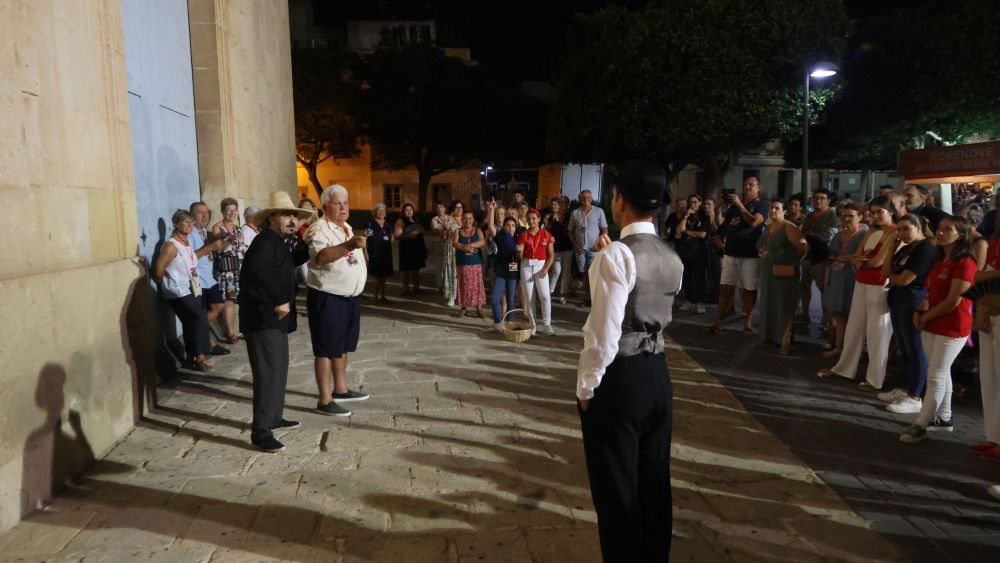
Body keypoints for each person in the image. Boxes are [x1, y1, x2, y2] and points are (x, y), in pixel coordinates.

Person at [577, 161, 682, 563]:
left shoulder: (616, 255)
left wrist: (587, 388)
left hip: (621, 377)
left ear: (619, 199)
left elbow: (604, 334)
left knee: (616, 486)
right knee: (655, 480)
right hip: (658, 372)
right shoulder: (672, 255)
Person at [240, 192, 312, 452]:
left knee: (278, 369)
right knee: (268, 373)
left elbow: (287, 263)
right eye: (286, 214)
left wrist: (305, 246)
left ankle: (274, 417)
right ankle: (261, 430)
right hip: (264, 319)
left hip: (275, 319)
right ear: (272, 218)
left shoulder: (278, 241)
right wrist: (278, 300)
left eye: (294, 215)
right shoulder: (264, 242)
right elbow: (256, 275)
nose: (292, 220)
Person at [900, 216, 978, 443]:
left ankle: (920, 424)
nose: (940, 232)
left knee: (935, 375)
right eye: (940, 228)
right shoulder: (941, 260)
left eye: (947, 229)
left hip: (952, 326)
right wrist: (920, 312)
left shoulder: (965, 263)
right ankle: (943, 417)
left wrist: (926, 316)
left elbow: (954, 300)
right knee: (940, 371)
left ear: (960, 235)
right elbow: (930, 291)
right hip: (932, 322)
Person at [818, 195, 898, 390]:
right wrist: (858, 260)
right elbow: (857, 255)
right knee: (854, 328)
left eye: (881, 212)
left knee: (877, 332)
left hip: (880, 285)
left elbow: (877, 261)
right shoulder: (871, 231)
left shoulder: (894, 232)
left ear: (891, 212)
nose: (876, 216)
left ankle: (875, 379)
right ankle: (844, 368)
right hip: (861, 282)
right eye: (873, 212)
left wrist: (860, 261)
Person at [305, 184, 371, 417]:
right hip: (328, 297)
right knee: (325, 349)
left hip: (349, 298)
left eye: (346, 203)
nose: (343, 207)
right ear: (325, 207)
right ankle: (325, 399)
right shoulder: (319, 229)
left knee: (342, 345)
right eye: (337, 203)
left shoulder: (347, 227)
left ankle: (341, 388)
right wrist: (350, 245)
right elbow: (321, 257)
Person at [878, 214, 936, 414]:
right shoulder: (906, 248)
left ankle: (915, 395)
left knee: (914, 346)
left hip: (912, 298)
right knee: (903, 346)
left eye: (906, 229)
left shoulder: (926, 248)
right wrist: (892, 247)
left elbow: (905, 280)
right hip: (899, 297)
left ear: (919, 227)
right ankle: (904, 388)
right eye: (899, 230)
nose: (902, 233)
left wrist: (895, 278)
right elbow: (885, 272)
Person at [153, 210, 215, 372]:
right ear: (175, 224)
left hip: (191, 288)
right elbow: (158, 270)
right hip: (177, 291)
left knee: (190, 322)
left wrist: (209, 249)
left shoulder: (186, 243)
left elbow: (191, 258)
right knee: (199, 317)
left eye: (191, 222)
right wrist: (166, 285)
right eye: (185, 222)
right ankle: (201, 356)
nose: (189, 225)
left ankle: (191, 357)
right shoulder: (171, 245)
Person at [709, 177, 769, 333]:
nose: (748, 187)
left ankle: (748, 322)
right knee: (725, 288)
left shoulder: (762, 205)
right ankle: (719, 320)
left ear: (758, 187)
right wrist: (719, 209)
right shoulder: (734, 207)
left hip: (750, 255)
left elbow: (754, 222)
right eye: (745, 185)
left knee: (749, 289)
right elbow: (724, 226)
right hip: (730, 254)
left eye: (751, 185)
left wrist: (740, 204)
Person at [757, 200, 806, 354]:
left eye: (777, 208)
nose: (773, 211)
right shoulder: (769, 227)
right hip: (769, 271)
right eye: (771, 208)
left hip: (786, 272)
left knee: (786, 306)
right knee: (770, 303)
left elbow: (803, 247)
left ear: (784, 211)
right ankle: (771, 337)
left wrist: (790, 261)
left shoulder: (789, 227)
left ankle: (785, 340)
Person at [822, 202, 867, 357]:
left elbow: (861, 258)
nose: (847, 219)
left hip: (854, 279)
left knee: (855, 316)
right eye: (844, 215)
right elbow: (829, 254)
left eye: (851, 216)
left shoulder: (864, 235)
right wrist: (846, 258)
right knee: (840, 314)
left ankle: (853, 351)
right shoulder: (838, 235)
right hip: (837, 278)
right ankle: (839, 348)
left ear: (860, 217)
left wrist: (841, 258)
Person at [971, 218, 1000, 458]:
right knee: (990, 376)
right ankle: (993, 436)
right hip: (992, 310)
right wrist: (981, 310)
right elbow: (985, 275)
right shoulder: (995, 242)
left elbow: (983, 276)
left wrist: (981, 279)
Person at [189, 202, 230, 355]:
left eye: (206, 212)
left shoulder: (205, 233)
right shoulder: (190, 234)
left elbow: (213, 252)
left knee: (218, 305)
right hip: (198, 281)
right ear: (192, 216)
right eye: (200, 212)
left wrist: (227, 243)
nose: (205, 215)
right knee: (204, 312)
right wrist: (210, 247)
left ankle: (203, 336)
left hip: (209, 279)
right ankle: (209, 343)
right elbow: (191, 257)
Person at [798, 189, 839, 324]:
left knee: (823, 289)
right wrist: (804, 241)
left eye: (822, 198)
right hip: (807, 257)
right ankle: (804, 313)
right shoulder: (809, 216)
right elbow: (804, 234)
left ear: (828, 200)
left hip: (822, 258)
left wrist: (814, 237)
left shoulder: (832, 216)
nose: (818, 200)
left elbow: (831, 237)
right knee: (804, 286)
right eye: (816, 198)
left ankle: (825, 317)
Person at [211, 198, 247, 344]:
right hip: (226, 270)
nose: (232, 213)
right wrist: (230, 241)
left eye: (234, 210)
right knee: (228, 301)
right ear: (223, 211)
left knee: (236, 301)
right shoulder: (217, 228)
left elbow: (242, 248)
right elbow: (217, 248)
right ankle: (230, 333)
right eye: (229, 210)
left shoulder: (238, 228)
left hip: (238, 268)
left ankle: (238, 330)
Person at [517, 208, 556, 335]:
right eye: (529, 219)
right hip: (526, 265)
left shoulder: (547, 235)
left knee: (545, 296)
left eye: (534, 218)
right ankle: (533, 325)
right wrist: (519, 251)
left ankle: (547, 324)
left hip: (541, 265)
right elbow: (520, 253)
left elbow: (551, 255)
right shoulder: (523, 235)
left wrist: (545, 269)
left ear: (539, 219)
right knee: (529, 297)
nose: (531, 221)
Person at [568, 189, 609, 308]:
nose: (586, 200)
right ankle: (587, 299)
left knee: (595, 274)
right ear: (580, 199)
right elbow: (570, 232)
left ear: (591, 199)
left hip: (594, 249)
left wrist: (598, 243)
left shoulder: (599, 211)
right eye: (583, 198)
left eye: (588, 198)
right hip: (580, 250)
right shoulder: (575, 213)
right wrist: (576, 246)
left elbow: (605, 230)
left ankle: (596, 300)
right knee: (585, 274)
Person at [673, 194, 712, 314]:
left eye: (695, 202)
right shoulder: (687, 216)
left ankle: (700, 302)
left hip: (699, 251)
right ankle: (689, 300)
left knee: (699, 277)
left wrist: (687, 232)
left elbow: (703, 234)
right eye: (690, 202)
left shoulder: (704, 217)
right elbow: (679, 230)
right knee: (686, 277)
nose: (692, 204)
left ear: (700, 203)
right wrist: (686, 216)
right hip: (685, 251)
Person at [487, 214, 520, 331]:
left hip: (513, 270)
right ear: (504, 227)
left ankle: (509, 321)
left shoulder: (519, 238)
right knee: (495, 298)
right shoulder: (500, 236)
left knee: (511, 298)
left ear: (516, 227)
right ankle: (497, 323)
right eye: (508, 225)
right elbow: (491, 226)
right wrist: (491, 211)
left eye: (512, 225)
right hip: (500, 270)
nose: (510, 227)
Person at [453, 210, 487, 318]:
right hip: (462, 263)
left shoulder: (477, 230)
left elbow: (482, 241)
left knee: (477, 285)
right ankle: (463, 307)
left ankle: (479, 308)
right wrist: (463, 247)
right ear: (462, 220)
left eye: (470, 218)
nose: (468, 221)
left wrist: (470, 245)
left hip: (476, 263)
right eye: (465, 218)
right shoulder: (457, 231)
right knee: (463, 285)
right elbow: (455, 243)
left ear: (473, 220)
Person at [545, 197, 574, 304]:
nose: (563, 204)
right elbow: (547, 232)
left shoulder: (570, 216)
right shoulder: (551, 217)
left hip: (567, 246)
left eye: (565, 202)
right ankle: (549, 292)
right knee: (556, 270)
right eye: (561, 202)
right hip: (556, 247)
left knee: (566, 271)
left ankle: (563, 294)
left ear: (568, 204)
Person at [394, 203, 427, 296]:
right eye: (406, 210)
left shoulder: (415, 220)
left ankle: (416, 288)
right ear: (403, 212)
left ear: (413, 211)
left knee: (416, 268)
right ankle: (405, 289)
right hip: (406, 248)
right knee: (405, 269)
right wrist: (409, 236)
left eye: (410, 210)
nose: (409, 212)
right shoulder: (401, 221)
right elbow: (397, 236)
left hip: (416, 248)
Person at [365, 203, 394, 304]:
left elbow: (391, 238)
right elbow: (365, 239)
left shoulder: (387, 224)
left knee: (384, 277)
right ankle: (375, 297)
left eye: (383, 211)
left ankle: (383, 297)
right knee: (377, 277)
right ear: (374, 212)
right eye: (379, 210)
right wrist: (366, 253)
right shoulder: (370, 224)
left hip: (386, 253)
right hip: (375, 253)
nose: (381, 212)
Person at [703, 197, 723, 304]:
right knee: (707, 273)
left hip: (716, 249)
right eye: (705, 204)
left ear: (714, 205)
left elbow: (719, 230)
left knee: (717, 274)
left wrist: (712, 221)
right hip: (705, 248)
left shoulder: (718, 217)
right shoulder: (702, 217)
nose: (706, 206)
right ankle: (708, 295)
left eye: (709, 204)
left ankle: (717, 296)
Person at [430, 202, 451, 295]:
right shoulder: (434, 219)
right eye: (437, 207)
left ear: (445, 209)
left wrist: (443, 230)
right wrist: (443, 230)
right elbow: (435, 231)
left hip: (448, 244)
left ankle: (448, 286)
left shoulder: (449, 218)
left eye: (441, 207)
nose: (439, 209)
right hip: (438, 244)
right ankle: (439, 286)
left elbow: (450, 231)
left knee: (448, 265)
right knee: (439, 266)